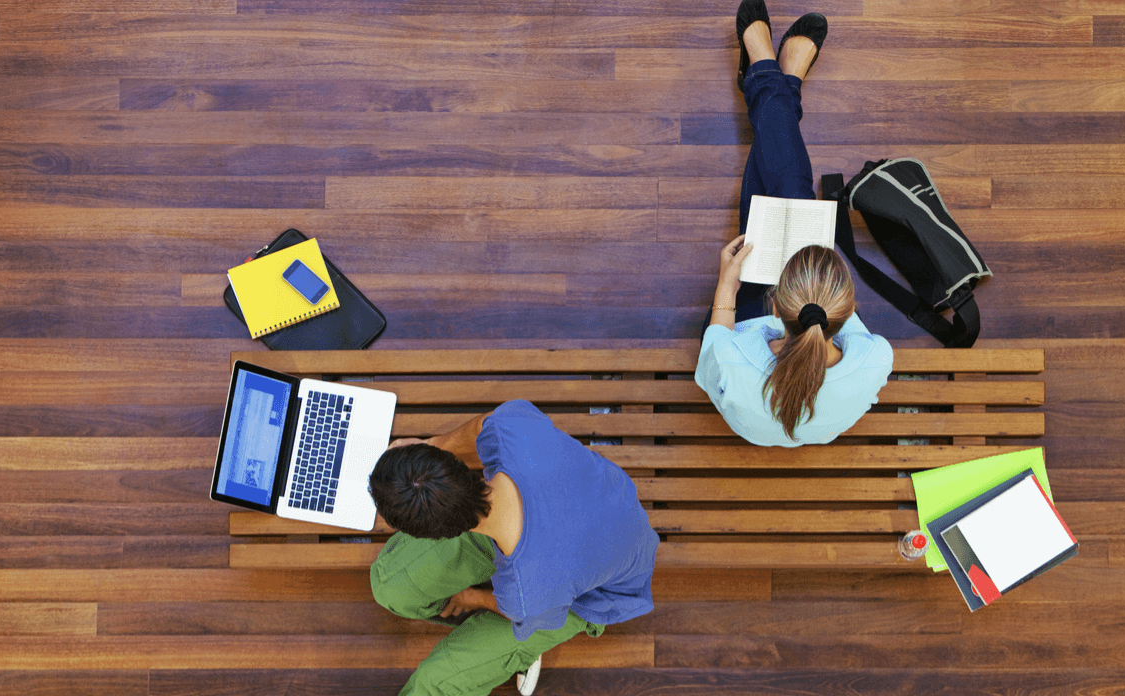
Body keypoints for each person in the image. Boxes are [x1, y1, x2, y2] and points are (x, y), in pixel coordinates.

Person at [695, 0, 894, 447]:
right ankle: (775, 83)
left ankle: (770, 79)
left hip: (741, 325)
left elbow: (711, 368)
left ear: (774, 304)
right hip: (790, 337)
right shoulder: (872, 359)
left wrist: (726, 286)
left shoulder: (737, 358)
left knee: (790, 194)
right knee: (789, 195)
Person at [366, 400, 660, 696]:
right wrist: (431, 447)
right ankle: (498, 642)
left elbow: (531, 614)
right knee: (389, 585)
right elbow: (485, 425)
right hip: (582, 519)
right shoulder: (511, 431)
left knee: (435, 683)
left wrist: (473, 597)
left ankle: (518, 649)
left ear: (436, 534)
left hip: (584, 597)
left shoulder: (528, 593)